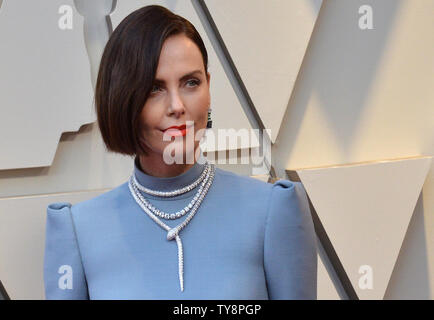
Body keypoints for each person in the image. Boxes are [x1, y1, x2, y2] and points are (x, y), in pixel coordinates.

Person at [43, 5, 317, 300]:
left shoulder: (274, 211)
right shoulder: (79, 231)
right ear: (122, 98)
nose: (177, 105)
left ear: (209, 87)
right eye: (154, 88)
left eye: (191, 82)